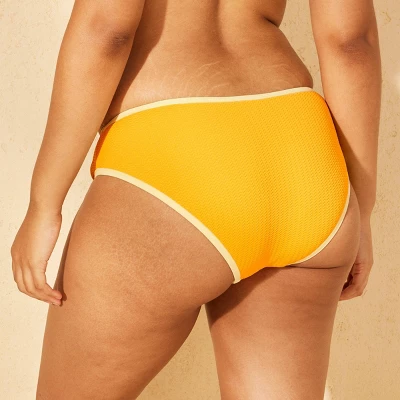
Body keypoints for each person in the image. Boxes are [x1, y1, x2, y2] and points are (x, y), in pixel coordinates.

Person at [10, 0, 381, 398]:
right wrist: (361, 210)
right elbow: (351, 42)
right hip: (299, 156)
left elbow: (106, 29)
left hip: (174, 150)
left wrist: (44, 205)